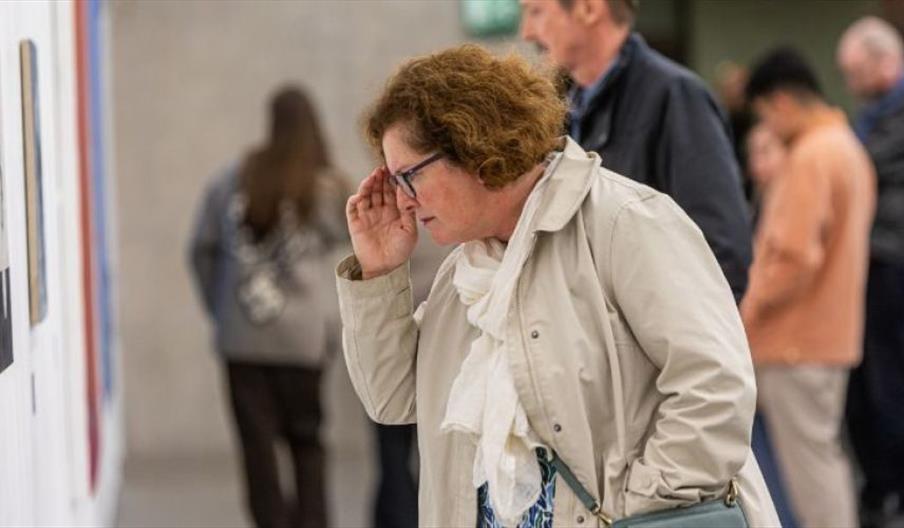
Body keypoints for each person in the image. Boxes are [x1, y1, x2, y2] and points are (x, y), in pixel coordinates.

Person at [336, 44, 778, 528]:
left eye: (409, 176)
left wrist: (639, 510)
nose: (402, 199)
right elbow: (394, 400)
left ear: (473, 146)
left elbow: (715, 384)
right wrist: (378, 272)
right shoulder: (465, 272)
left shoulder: (624, 222)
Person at [188, 86, 348, 528]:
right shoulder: (327, 186)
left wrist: (221, 310)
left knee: (257, 450)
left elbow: (200, 251)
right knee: (308, 443)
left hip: (242, 340)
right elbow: (361, 243)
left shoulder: (229, 180)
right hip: (304, 340)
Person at [519, 0, 752, 302]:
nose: (526, 33)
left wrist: (664, 343)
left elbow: (721, 252)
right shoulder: (565, 110)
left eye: (536, 12)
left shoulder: (674, 97)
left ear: (589, 9)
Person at [741, 48, 876, 528]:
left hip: (796, 341)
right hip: (827, 336)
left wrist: (746, 314)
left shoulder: (811, 155)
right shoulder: (846, 147)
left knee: (812, 474)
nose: (768, 129)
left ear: (780, 103)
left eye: (763, 116)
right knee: (823, 462)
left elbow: (792, 257)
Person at [837, 17, 904, 528]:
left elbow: (861, 167)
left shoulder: (894, 114)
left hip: (891, 263)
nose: (852, 82)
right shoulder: (874, 111)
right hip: (873, 260)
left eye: (856, 71)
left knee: (886, 381)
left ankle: (889, 491)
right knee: (869, 383)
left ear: (885, 61)